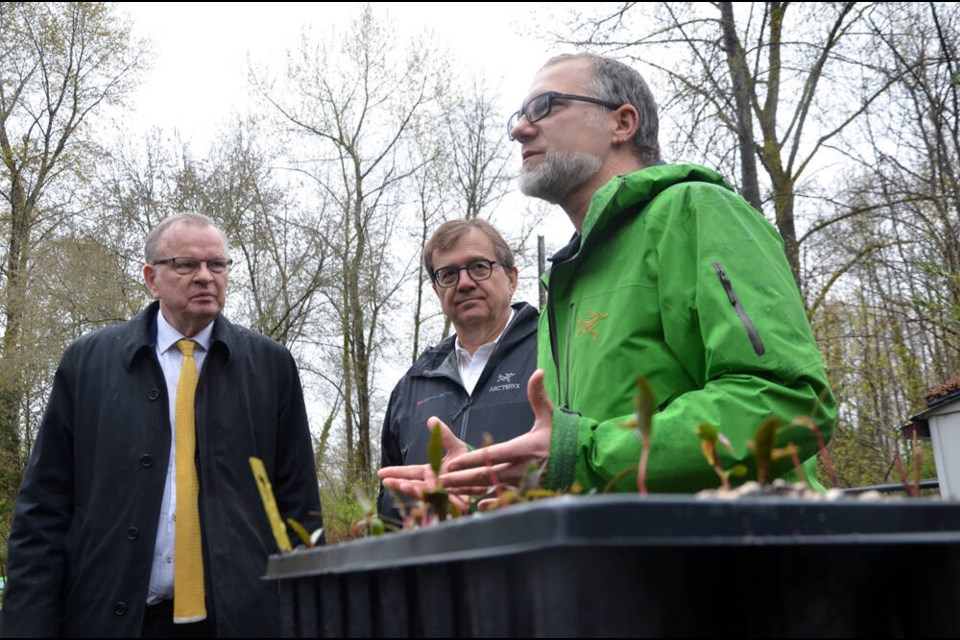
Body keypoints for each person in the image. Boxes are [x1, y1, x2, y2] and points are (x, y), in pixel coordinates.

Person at [380, 53, 836, 500]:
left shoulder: (697, 211)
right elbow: (581, 461)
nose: (520, 128)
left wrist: (576, 455)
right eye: (518, 116)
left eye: (545, 106)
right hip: (618, 566)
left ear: (622, 123)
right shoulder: (565, 281)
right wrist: (500, 489)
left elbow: (789, 404)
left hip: (736, 559)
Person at [0, 212, 323, 638]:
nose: (206, 277)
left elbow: (299, 510)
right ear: (152, 278)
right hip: (110, 618)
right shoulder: (88, 364)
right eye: (187, 265)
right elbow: (43, 511)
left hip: (239, 621)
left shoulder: (271, 367)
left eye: (217, 265)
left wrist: (311, 619)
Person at [377, 219, 538, 522]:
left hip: (532, 565)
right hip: (430, 567)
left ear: (512, 279)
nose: (464, 283)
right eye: (448, 274)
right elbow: (390, 506)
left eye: (479, 267)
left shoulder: (555, 355)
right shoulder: (411, 387)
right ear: (438, 291)